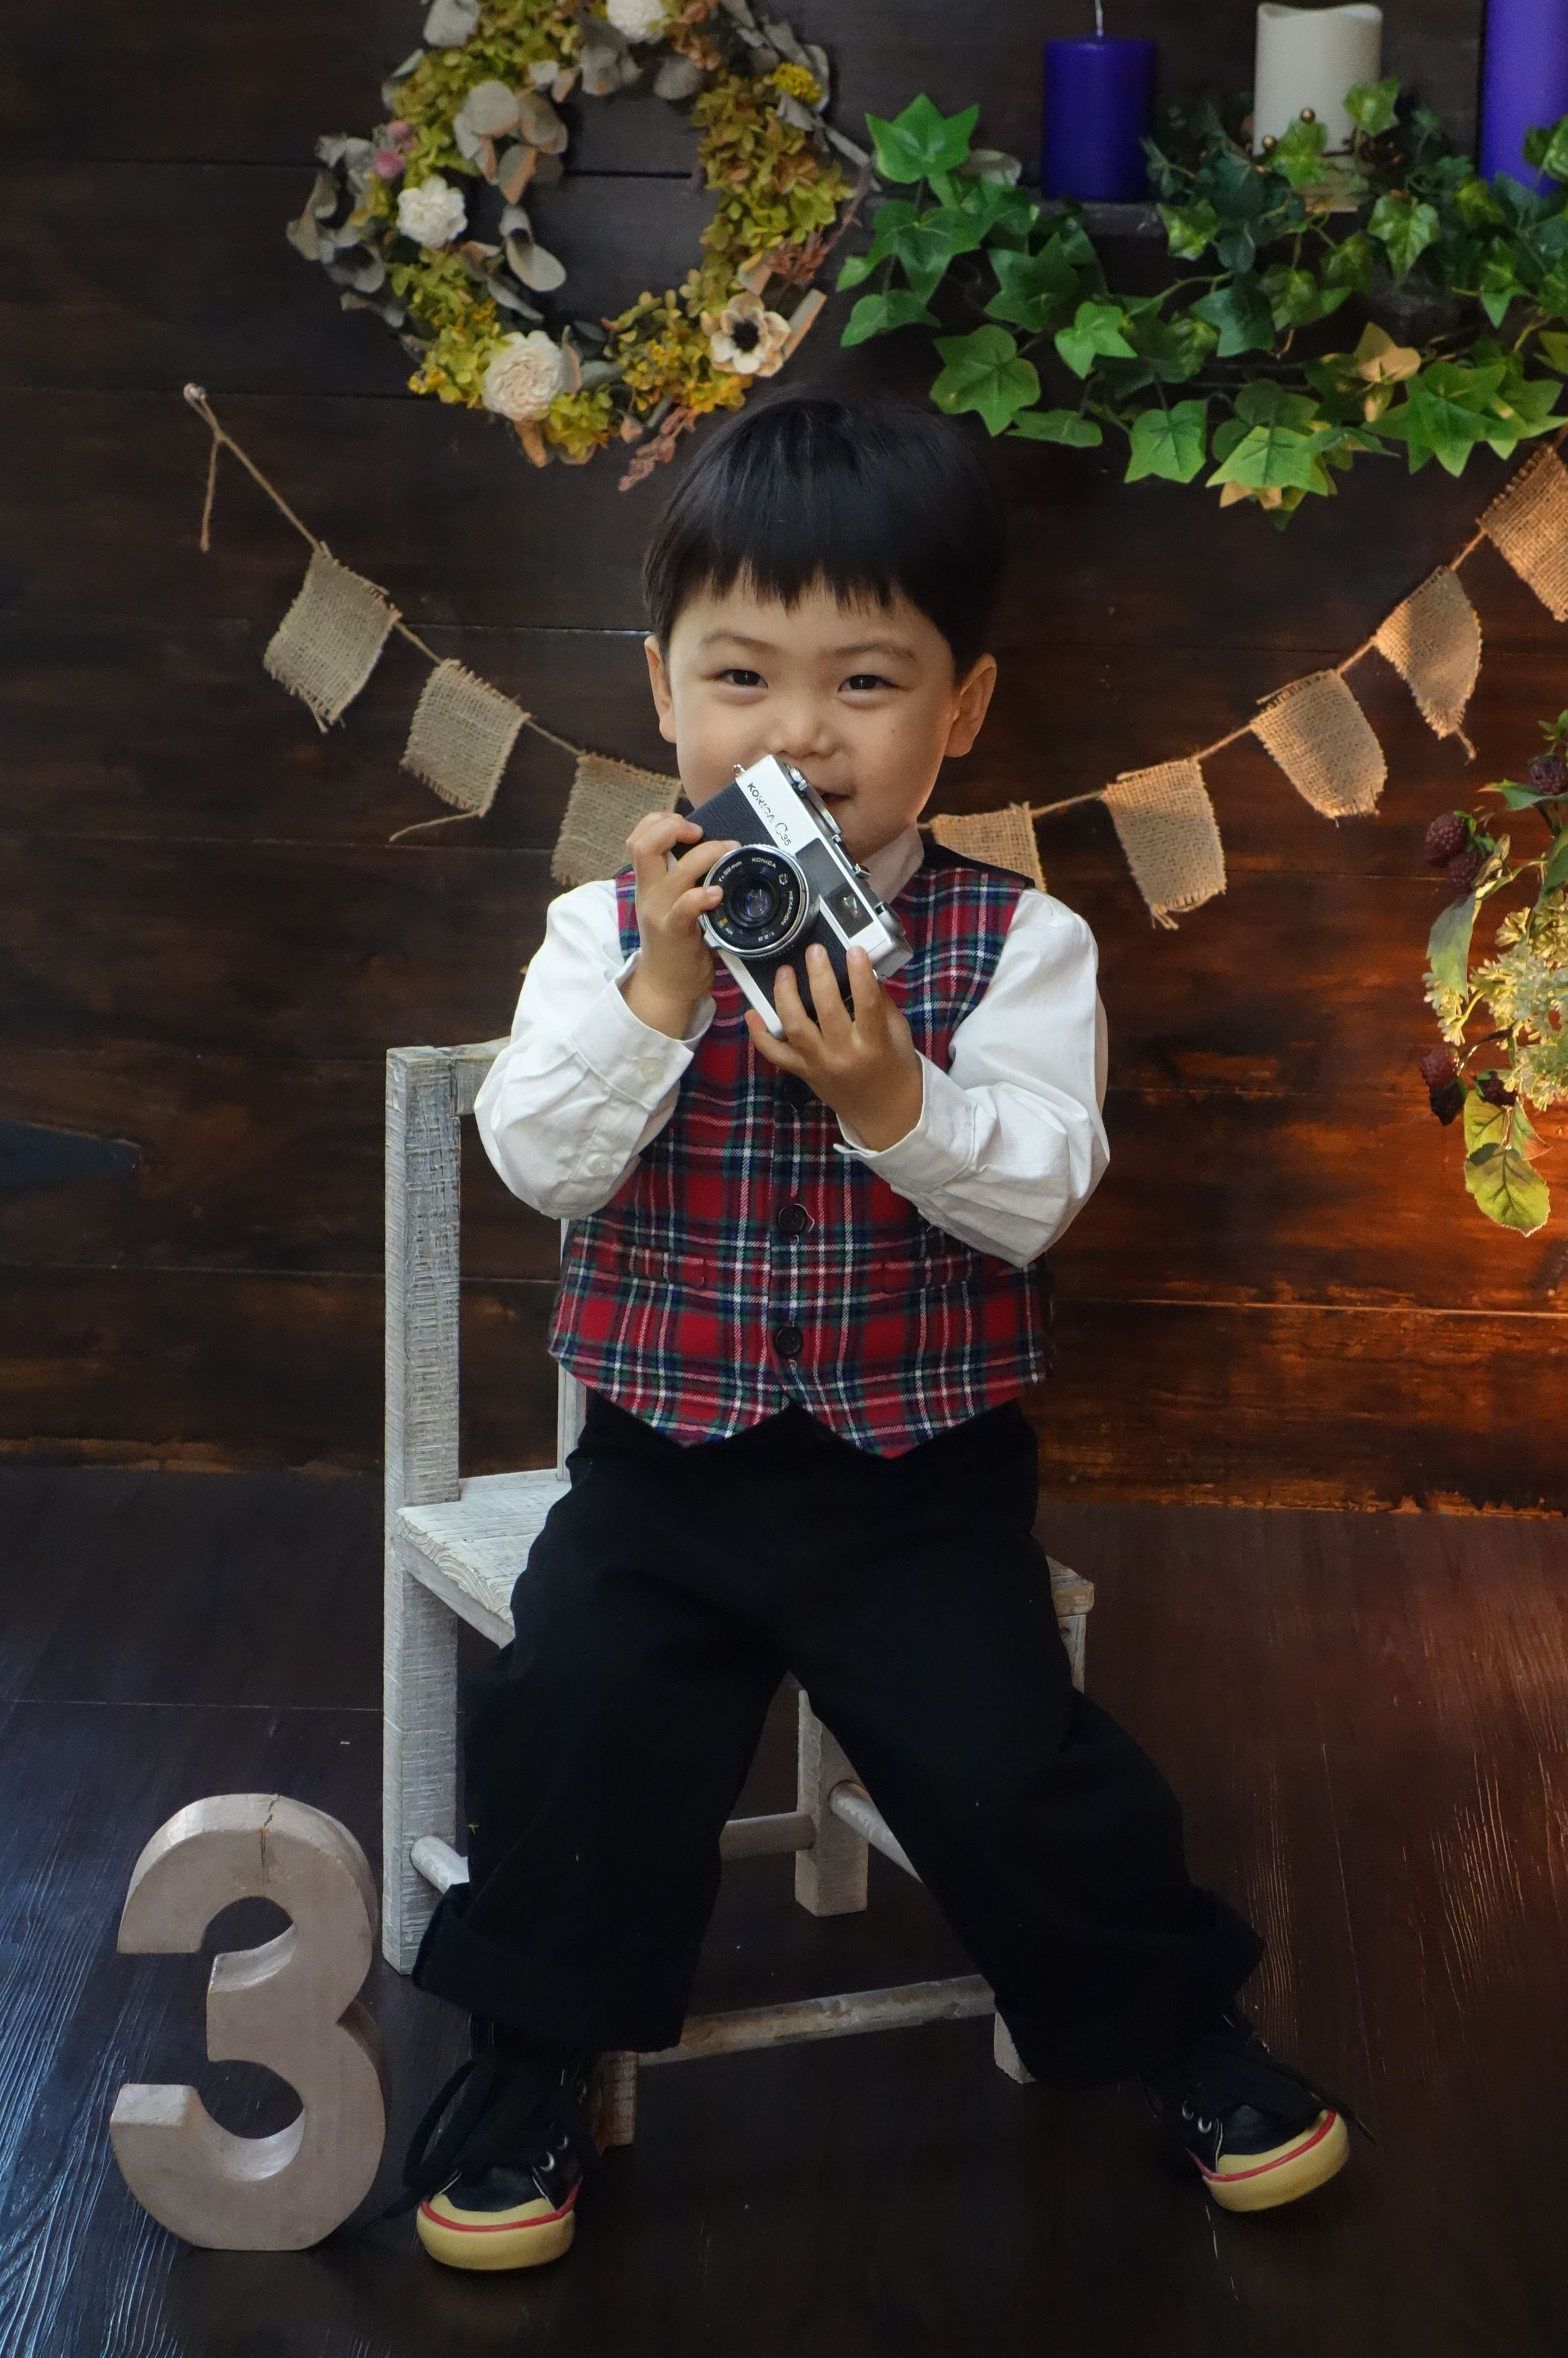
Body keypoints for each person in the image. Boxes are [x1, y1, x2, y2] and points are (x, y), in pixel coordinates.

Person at [393, 394, 1366, 2271]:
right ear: (661, 688)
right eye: (741, 677)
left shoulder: (1022, 943)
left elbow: (1038, 1193)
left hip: (918, 1477)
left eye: (865, 681)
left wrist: (893, 1099)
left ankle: (1177, 2028)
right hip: (664, 1468)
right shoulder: (601, 929)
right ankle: (528, 2056)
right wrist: (661, 990)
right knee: (576, 1716)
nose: (800, 734)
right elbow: (539, 1163)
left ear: (961, 707)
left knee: (1012, 1762)